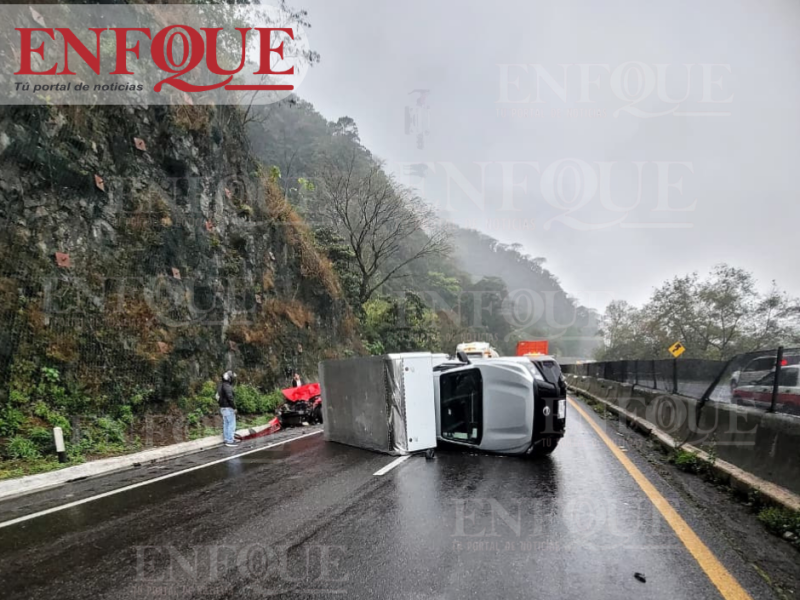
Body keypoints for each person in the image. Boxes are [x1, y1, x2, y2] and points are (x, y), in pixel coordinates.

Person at [217, 371, 238, 447]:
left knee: (226, 423)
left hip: (222, 408)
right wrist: (234, 407)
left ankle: (227, 439)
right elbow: (230, 397)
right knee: (231, 424)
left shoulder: (220, 386)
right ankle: (230, 440)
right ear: (229, 379)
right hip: (228, 408)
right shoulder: (227, 386)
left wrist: (221, 405)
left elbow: (217, 396)